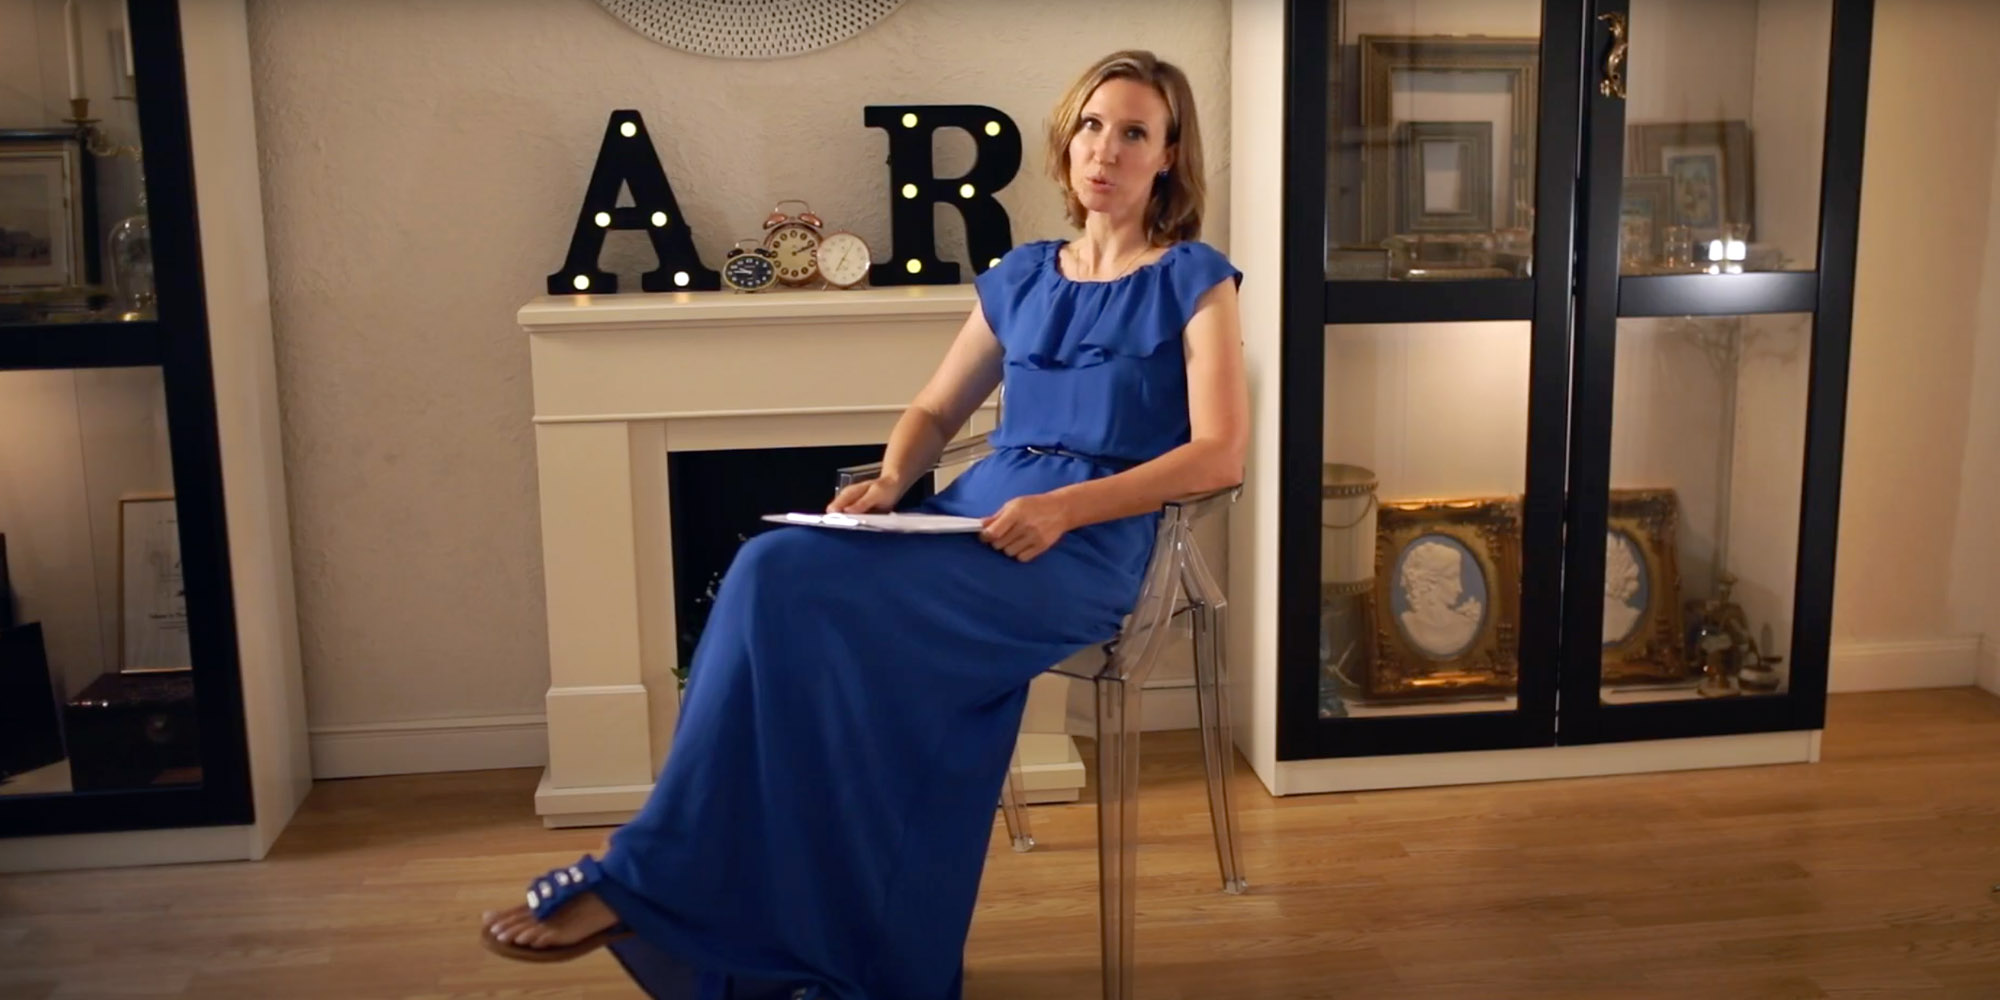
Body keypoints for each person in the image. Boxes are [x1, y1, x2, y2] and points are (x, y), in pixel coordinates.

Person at [478, 48, 1248, 1000]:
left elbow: (1219, 455)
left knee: (810, 605)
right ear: (1068, 139)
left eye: (1135, 132)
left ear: (1169, 155)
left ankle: (651, 880)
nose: (1107, 149)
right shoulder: (1021, 276)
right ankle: (680, 875)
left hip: (1087, 541)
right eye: (1093, 125)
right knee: (772, 569)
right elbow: (933, 412)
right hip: (973, 518)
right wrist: (892, 477)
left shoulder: (1196, 280)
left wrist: (1063, 506)